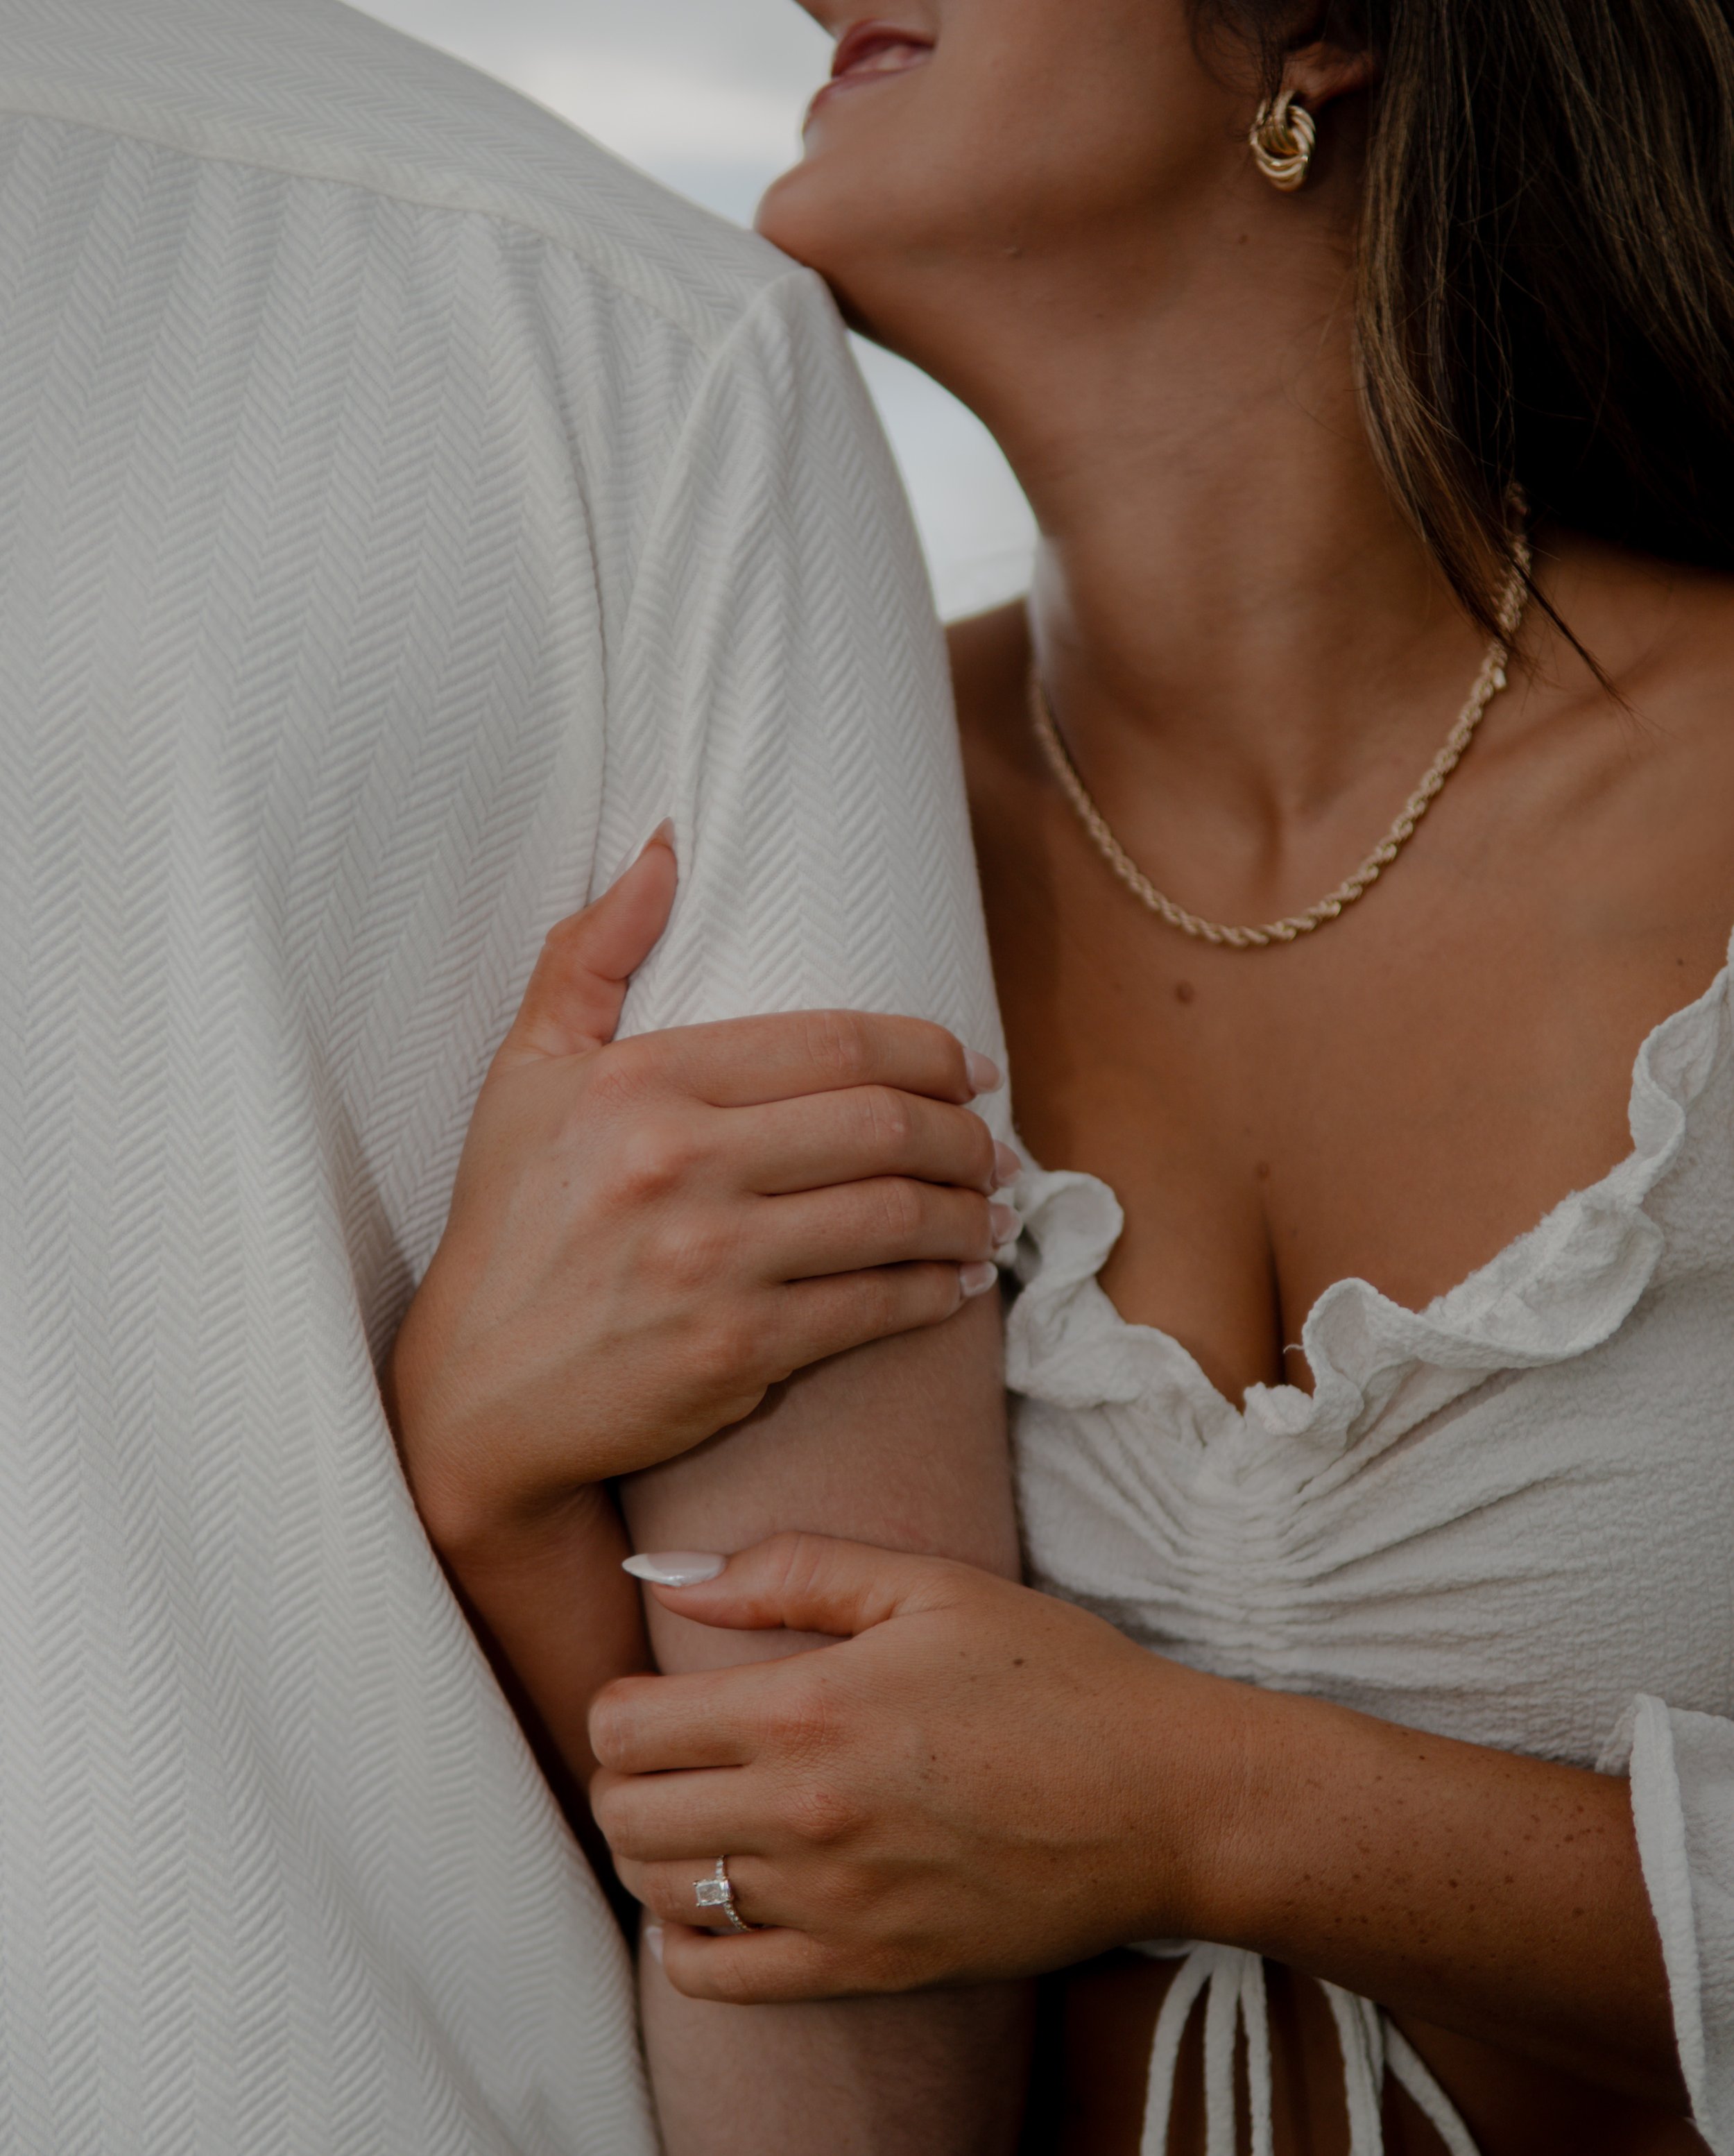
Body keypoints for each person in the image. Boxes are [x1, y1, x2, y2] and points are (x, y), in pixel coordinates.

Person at [564, 2, 1734, 2152]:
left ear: (1325, 25)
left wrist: (1208, 1808)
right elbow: (722, 1855)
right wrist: (475, 1472)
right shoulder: (748, 865)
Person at [0, 0, 1033, 2146]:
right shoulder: (624, 346)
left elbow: (852, 1826)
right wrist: (472, 1490)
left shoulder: (662, 352)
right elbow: (854, 1996)